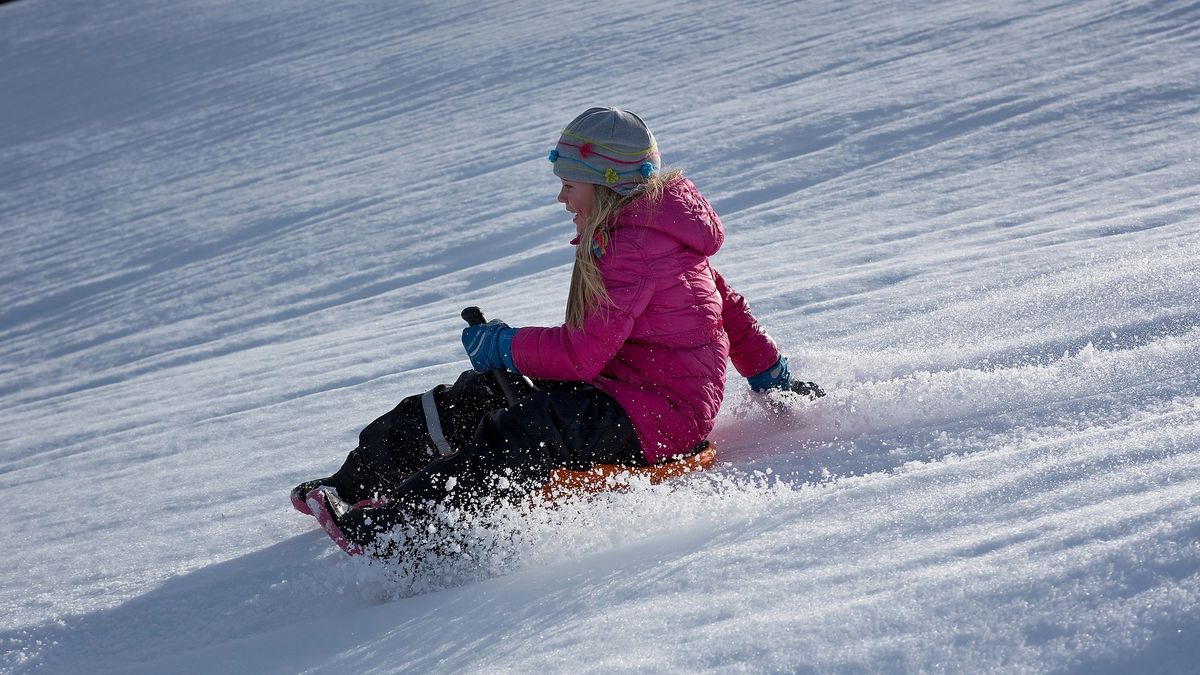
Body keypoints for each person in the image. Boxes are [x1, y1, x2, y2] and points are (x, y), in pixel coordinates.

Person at [292, 107, 823, 557]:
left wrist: (504, 345)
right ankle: (353, 485)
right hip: (624, 390)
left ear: (607, 186)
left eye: (570, 185)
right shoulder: (651, 234)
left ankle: (402, 531)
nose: (562, 199)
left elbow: (580, 356)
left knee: (527, 428)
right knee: (481, 393)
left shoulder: (634, 249)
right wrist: (771, 376)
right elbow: (731, 312)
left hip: (658, 417)